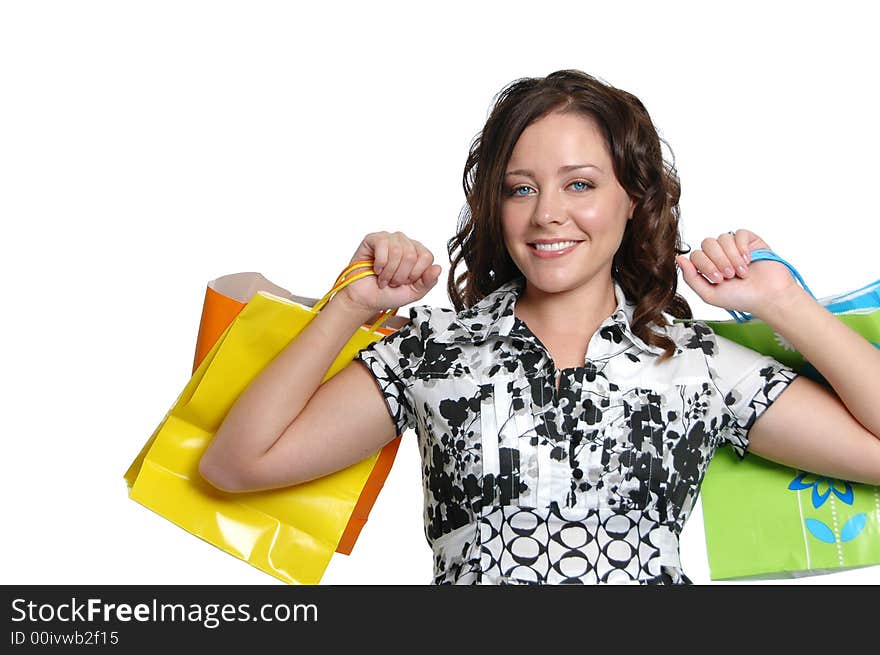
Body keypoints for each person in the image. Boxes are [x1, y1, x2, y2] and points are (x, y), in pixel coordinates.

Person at [198, 69, 880, 584]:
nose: (547, 213)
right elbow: (235, 463)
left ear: (634, 198)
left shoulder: (697, 361)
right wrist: (347, 303)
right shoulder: (434, 350)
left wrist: (786, 303)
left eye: (580, 184)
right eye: (520, 187)